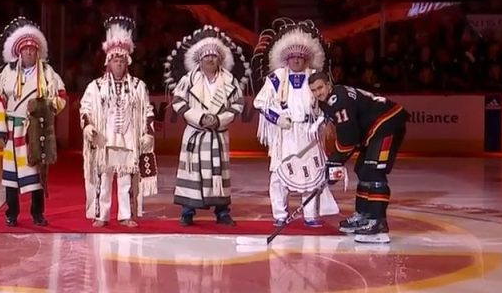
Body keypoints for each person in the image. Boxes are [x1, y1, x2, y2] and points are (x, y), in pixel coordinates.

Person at [251, 18, 339, 227]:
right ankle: (280, 215)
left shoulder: (314, 77)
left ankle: (310, 215)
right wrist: (277, 119)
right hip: (286, 133)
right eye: (293, 57)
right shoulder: (277, 77)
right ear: (286, 59)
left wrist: (320, 121)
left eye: (301, 57)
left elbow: (327, 102)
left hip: (309, 133)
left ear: (307, 58)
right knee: (279, 175)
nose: (297, 60)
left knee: (312, 173)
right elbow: (259, 102)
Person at [164, 25, 252, 226]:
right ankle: (187, 211)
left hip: (217, 135)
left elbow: (238, 104)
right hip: (196, 134)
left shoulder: (229, 80)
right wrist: (200, 118)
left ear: (219, 58)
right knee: (192, 172)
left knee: (218, 173)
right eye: (206, 57)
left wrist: (218, 120)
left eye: (214, 56)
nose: (210, 59)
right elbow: (178, 101)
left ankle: (222, 212)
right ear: (200, 59)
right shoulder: (189, 79)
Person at [309, 72, 408, 244]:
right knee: (362, 169)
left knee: (373, 170)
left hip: (387, 123)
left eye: (320, 88)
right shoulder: (329, 100)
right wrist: (335, 160)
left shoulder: (338, 100)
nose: (318, 93)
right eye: (314, 90)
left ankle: (378, 223)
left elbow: (348, 139)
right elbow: (348, 134)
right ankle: (364, 215)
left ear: (328, 84)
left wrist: (334, 161)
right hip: (375, 129)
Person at [0, 17, 68, 226]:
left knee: (36, 173)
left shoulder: (47, 73)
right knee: (11, 176)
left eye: (33, 50)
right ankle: (11, 213)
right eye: (26, 50)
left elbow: (61, 96)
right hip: (12, 129)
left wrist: (47, 107)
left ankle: (37, 213)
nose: (29, 53)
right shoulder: (8, 72)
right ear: (19, 52)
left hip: (35, 129)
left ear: (37, 52)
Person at [80, 16, 157, 227]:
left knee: (126, 179)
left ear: (127, 63)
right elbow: (85, 108)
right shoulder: (95, 87)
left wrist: (148, 132)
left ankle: (125, 215)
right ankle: (101, 215)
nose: (119, 64)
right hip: (105, 139)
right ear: (108, 62)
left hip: (128, 139)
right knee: (103, 178)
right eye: (115, 60)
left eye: (122, 61)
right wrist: (88, 126)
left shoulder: (138, 86)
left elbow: (148, 110)